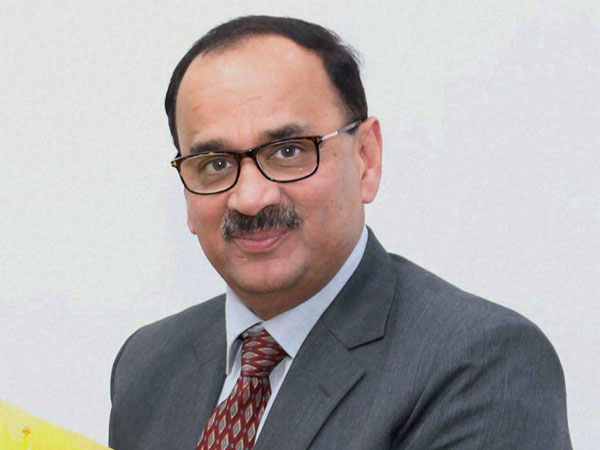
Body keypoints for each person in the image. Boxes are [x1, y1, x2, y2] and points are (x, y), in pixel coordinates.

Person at [108, 15, 572, 450]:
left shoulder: (481, 362)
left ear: (366, 158)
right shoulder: (147, 364)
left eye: (288, 151)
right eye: (214, 164)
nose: (250, 198)